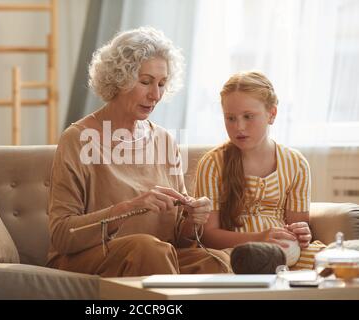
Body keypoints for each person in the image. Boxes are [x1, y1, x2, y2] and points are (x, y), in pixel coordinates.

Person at [46, 27, 231, 277]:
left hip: (156, 257)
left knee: (218, 260)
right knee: (147, 248)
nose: (155, 95)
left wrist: (192, 218)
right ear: (118, 78)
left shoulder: (164, 141)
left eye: (162, 84)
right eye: (145, 82)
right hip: (90, 258)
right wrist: (131, 207)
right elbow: (63, 235)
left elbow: (179, 239)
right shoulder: (78, 139)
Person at [195, 71, 325, 270]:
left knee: (333, 259)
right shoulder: (212, 163)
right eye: (230, 118)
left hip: (285, 252)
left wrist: (302, 234)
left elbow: (297, 227)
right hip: (234, 253)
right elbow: (208, 235)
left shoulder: (296, 163)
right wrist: (260, 238)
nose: (239, 126)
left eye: (248, 116)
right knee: (226, 264)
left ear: (271, 114)